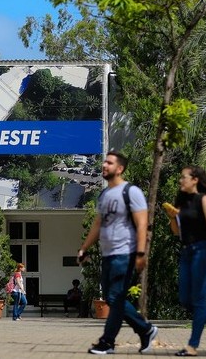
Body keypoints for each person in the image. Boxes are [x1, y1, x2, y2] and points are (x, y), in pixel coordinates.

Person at [77, 150, 158, 355]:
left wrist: (140, 253)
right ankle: (145, 329)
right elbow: (97, 224)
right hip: (108, 254)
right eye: (104, 162)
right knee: (113, 299)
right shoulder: (104, 194)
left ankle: (107, 341)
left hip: (126, 252)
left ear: (119, 168)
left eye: (109, 163)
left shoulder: (131, 192)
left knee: (114, 296)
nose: (104, 166)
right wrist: (84, 248)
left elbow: (141, 224)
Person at [165, 166, 206, 356]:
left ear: (195, 180)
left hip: (204, 250)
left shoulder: (205, 200)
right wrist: (172, 218)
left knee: (199, 300)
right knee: (186, 300)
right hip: (187, 252)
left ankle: (192, 346)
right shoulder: (182, 202)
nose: (180, 180)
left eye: (183, 177)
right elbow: (177, 232)